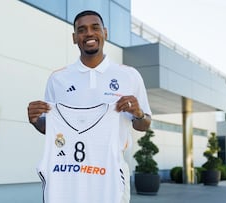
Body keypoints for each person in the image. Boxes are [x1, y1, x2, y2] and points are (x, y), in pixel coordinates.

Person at [27, 10, 151, 203]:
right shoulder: (58, 79)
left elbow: (144, 125)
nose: (89, 34)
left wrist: (139, 114)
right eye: (82, 30)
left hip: (110, 170)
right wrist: (35, 121)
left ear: (105, 33)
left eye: (95, 28)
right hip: (67, 172)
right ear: (74, 37)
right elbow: (52, 129)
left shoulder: (129, 75)